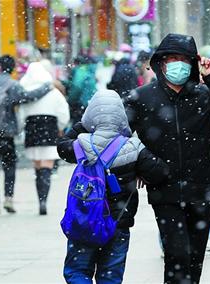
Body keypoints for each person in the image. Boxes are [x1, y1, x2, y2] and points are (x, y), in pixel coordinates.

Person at [124, 33, 210, 284]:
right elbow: (120, 135)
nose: (177, 64)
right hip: (164, 189)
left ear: (192, 63)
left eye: (184, 59)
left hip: (202, 187)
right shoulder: (142, 97)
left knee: (196, 257)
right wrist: (141, 163)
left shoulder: (203, 95)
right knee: (177, 255)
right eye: (171, 58)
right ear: (161, 62)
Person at [57, 90, 169, 283]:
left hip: (84, 221)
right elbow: (160, 172)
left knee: (77, 271)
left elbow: (61, 146)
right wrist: (139, 171)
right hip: (118, 222)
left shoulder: (80, 144)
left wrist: (83, 124)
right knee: (111, 275)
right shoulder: (134, 148)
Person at [0, 55, 51, 216]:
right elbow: (27, 97)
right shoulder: (13, 85)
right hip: (6, 134)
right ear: (12, 69)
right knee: (9, 167)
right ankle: (8, 198)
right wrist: (46, 87)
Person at [19, 62, 70, 215]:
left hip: (32, 130)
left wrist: (23, 127)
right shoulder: (53, 92)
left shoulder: (26, 92)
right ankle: (44, 201)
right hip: (49, 129)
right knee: (47, 165)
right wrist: (60, 127)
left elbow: (21, 116)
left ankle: (40, 199)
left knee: (37, 165)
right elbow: (63, 113)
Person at [65, 55, 97, 124]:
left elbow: (77, 86)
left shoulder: (80, 71)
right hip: (88, 103)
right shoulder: (87, 70)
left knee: (77, 125)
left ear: (76, 63)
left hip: (81, 104)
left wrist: (70, 101)